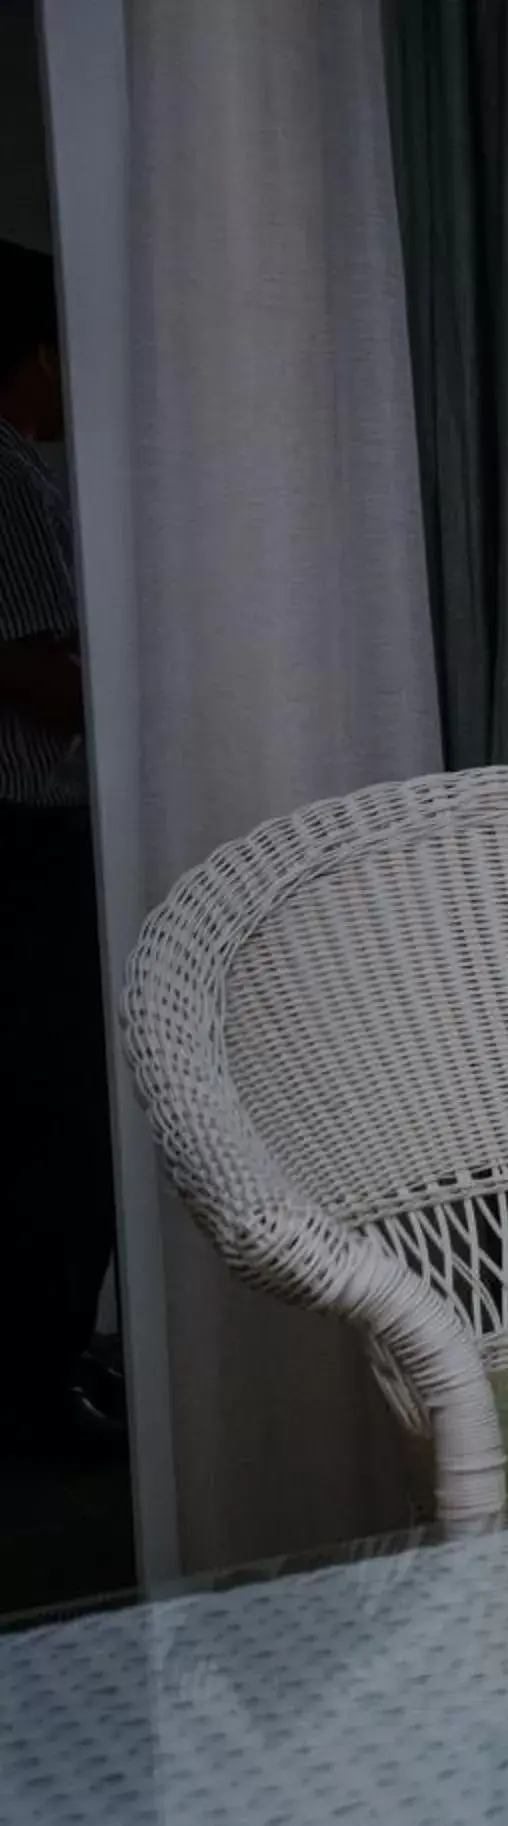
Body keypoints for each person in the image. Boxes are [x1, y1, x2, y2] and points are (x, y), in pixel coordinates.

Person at [0, 237, 114, 1456]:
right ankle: (40, 1389)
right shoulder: (11, 479)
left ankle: (40, 1375)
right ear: (40, 351)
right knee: (64, 1124)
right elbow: (36, 674)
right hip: (25, 842)